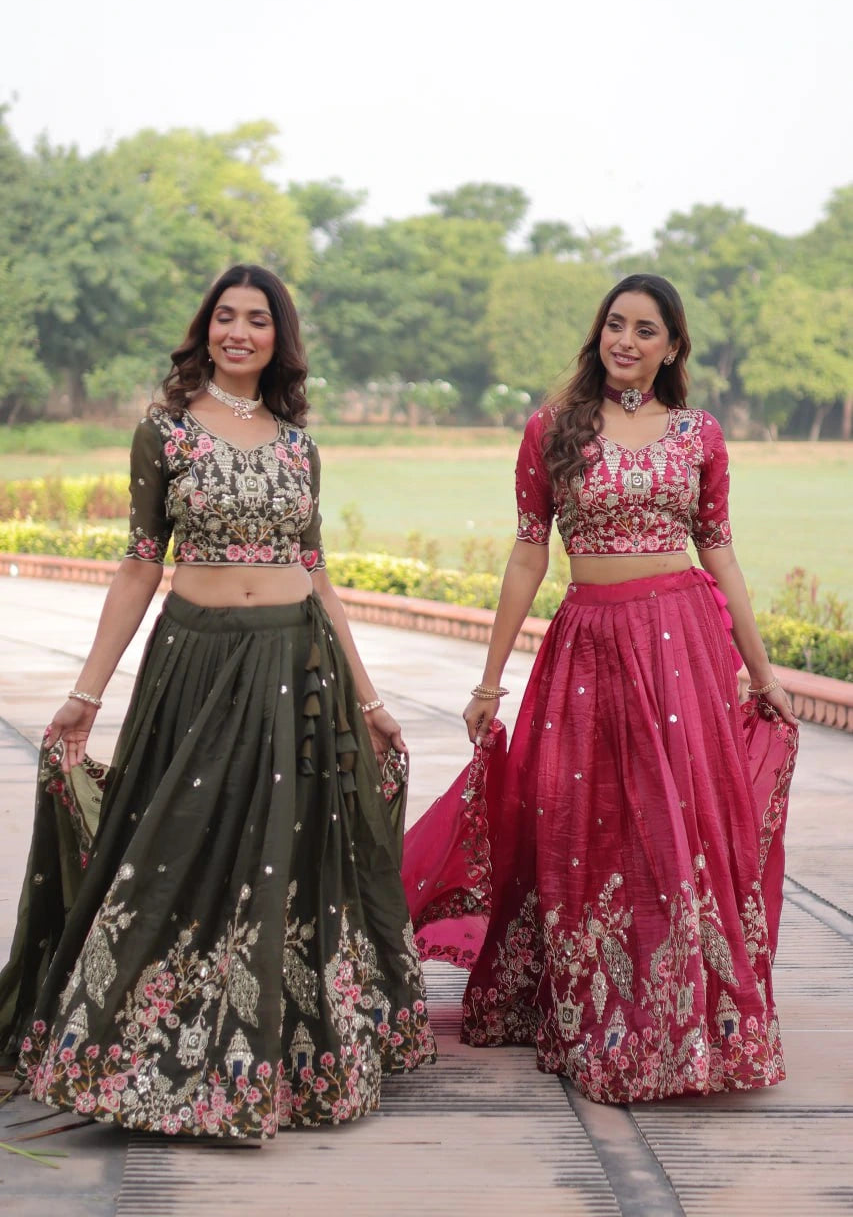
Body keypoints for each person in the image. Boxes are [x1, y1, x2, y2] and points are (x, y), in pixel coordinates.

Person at [0, 264, 435, 1138]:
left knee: (288, 854)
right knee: (172, 849)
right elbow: (138, 565)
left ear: (279, 337)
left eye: (257, 320)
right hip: (195, 665)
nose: (239, 332)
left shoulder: (297, 445)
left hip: (294, 666)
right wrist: (88, 693)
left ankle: (281, 1060)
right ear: (204, 330)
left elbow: (318, 575)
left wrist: (370, 697)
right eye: (225, 318)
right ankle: (140, 1043)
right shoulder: (162, 433)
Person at [403, 273, 798, 1104]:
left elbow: (718, 551)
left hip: (685, 642)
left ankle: (689, 1022)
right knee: (591, 825)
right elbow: (525, 555)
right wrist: (487, 680)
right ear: (598, 334)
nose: (626, 341)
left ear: (672, 347)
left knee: (682, 826)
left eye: (645, 330)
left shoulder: (699, 435)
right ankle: (602, 1010)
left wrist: (760, 673)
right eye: (615, 325)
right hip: (589, 647)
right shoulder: (552, 429)